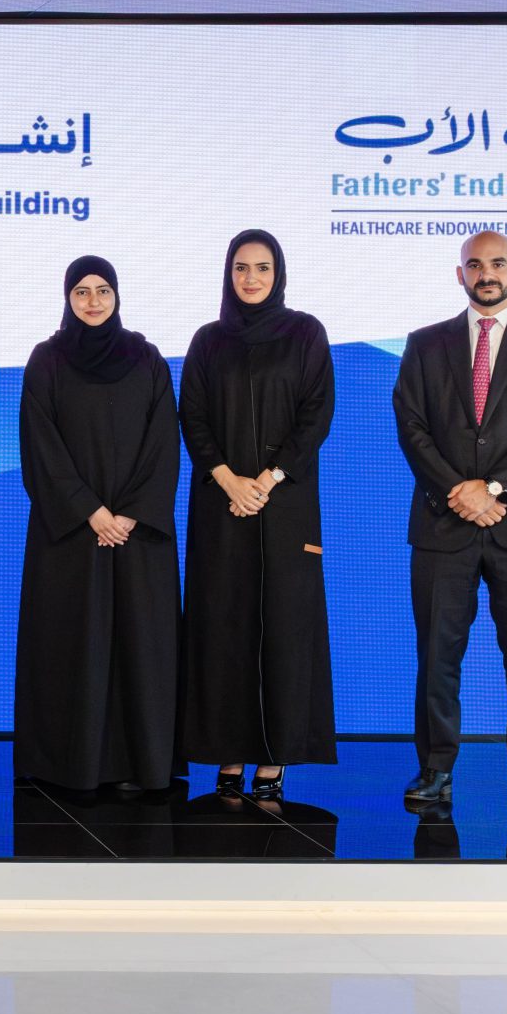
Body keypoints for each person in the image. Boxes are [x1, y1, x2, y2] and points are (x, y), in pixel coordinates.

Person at [392, 230, 507, 819]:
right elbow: (411, 426)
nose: (486, 274)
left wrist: (493, 489)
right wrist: (460, 492)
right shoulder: (425, 344)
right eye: (475, 265)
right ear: (460, 274)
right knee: (437, 657)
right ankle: (435, 769)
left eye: (498, 264)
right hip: (443, 523)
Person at [12, 256, 182, 794]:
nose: (92, 301)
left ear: (117, 295)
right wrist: (91, 511)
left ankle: (143, 764)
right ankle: (69, 765)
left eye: (102, 290)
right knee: (71, 646)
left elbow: (164, 443)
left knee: (141, 648)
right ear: (67, 298)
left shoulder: (147, 359)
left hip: (137, 534)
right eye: (81, 291)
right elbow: (41, 445)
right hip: (71, 535)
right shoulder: (46, 360)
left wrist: (130, 512)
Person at [177, 230, 336, 802]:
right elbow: (193, 416)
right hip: (222, 506)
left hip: (285, 505)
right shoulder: (208, 340)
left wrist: (267, 480)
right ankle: (229, 753)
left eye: (262, 267)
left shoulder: (305, 333)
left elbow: (316, 416)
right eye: (241, 268)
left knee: (285, 629)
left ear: (278, 273)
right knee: (224, 629)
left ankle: (274, 758)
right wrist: (228, 479)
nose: (251, 278)